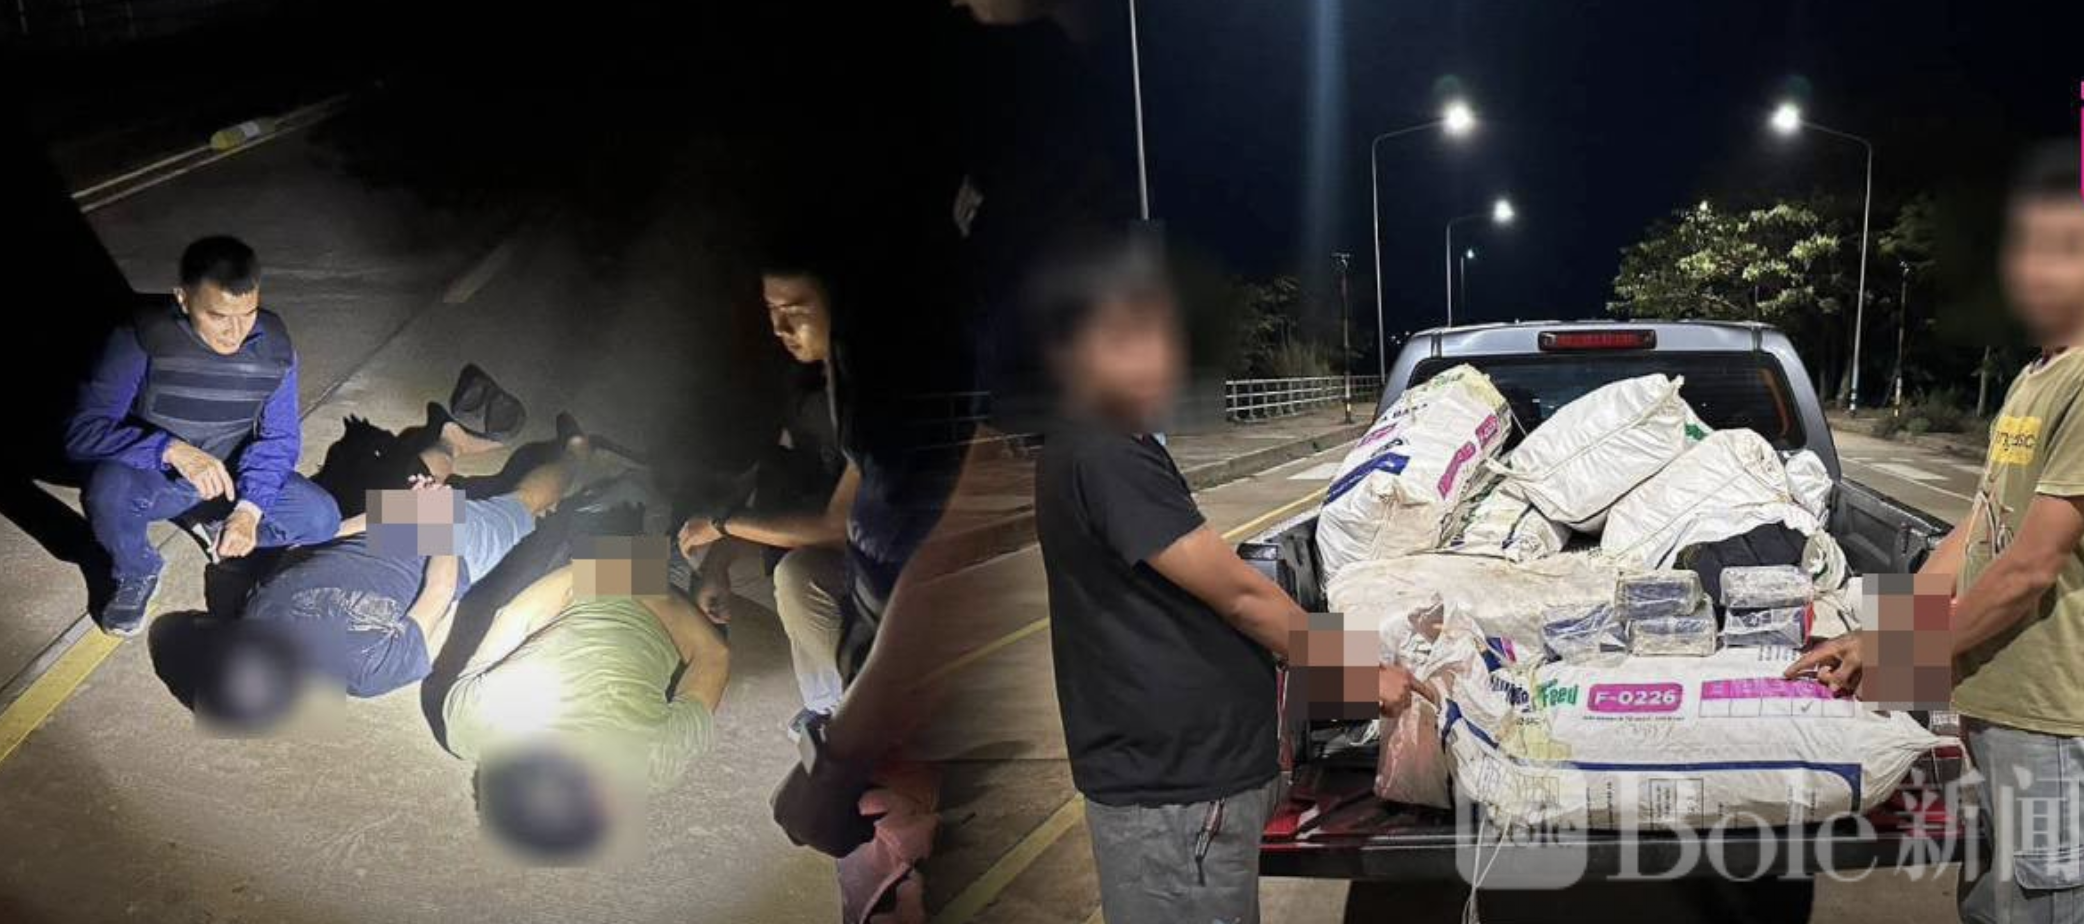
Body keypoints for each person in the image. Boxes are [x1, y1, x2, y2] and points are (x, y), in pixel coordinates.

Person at [1029, 238, 1421, 924]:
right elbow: (1239, 596)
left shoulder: (1114, 443)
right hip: (1173, 795)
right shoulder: (1101, 449)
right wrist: (1361, 676)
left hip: (1190, 784)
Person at [1788, 143, 2084, 922]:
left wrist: (1896, 653)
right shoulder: (2034, 377)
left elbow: (2030, 569)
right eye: (2028, 250)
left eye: (2066, 251)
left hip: (2053, 719)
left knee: (2040, 905)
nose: (2038, 271)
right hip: (1994, 703)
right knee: (1987, 901)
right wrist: (1880, 642)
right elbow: (1978, 528)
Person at [234, 368, 576, 700]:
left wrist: (416, 515)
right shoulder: (360, 669)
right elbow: (436, 588)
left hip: (405, 540)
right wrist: (429, 518)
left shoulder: (363, 672)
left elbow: (436, 589)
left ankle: (547, 451)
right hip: (417, 544)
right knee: (485, 496)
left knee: (498, 497)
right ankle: (562, 454)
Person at [66, 236, 342, 636]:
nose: (235, 332)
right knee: (107, 491)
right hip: (156, 477)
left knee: (322, 519)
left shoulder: (275, 347)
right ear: (183, 298)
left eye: (247, 314)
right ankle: (137, 570)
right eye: (218, 316)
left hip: (227, 477)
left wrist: (249, 510)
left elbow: (279, 439)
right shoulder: (141, 337)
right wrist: (170, 450)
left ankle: (216, 523)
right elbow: (82, 432)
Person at [441, 544, 729, 859]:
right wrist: (642, 579)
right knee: (686, 543)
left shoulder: (472, 723)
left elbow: (515, 616)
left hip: (576, 582)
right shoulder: (468, 727)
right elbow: (713, 654)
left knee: (589, 530)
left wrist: (610, 571)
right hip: (656, 603)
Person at [678, 248, 854, 736]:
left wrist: (721, 528)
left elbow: (837, 525)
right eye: (772, 313)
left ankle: (854, 709)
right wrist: (716, 565)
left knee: (792, 574)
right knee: (662, 554)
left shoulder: (865, 396)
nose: (779, 329)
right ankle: (831, 708)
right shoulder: (803, 390)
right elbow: (771, 497)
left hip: (892, 562)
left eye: (793, 311)